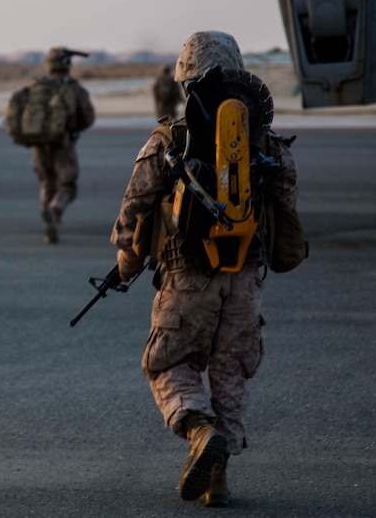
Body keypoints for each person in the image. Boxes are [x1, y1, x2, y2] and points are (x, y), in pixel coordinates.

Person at [110, 31, 301, 507]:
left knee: (169, 363)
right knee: (230, 373)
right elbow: (286, 212)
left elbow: (132, 216)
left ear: (183, 78)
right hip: (244, 284)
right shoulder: (271, 148)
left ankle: (198, 430)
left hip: (186, 278)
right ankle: (218, 478)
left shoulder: (167, 143)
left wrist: (125, 264)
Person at [28, 47, 96, 243]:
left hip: (39, 144)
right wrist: (72, 128)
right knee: (67, 184)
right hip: (64, 144)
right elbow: (88, 117)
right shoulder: (74, 88)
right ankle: (56, 208)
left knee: (47, 182)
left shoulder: (37, 87)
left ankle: (47, 220)